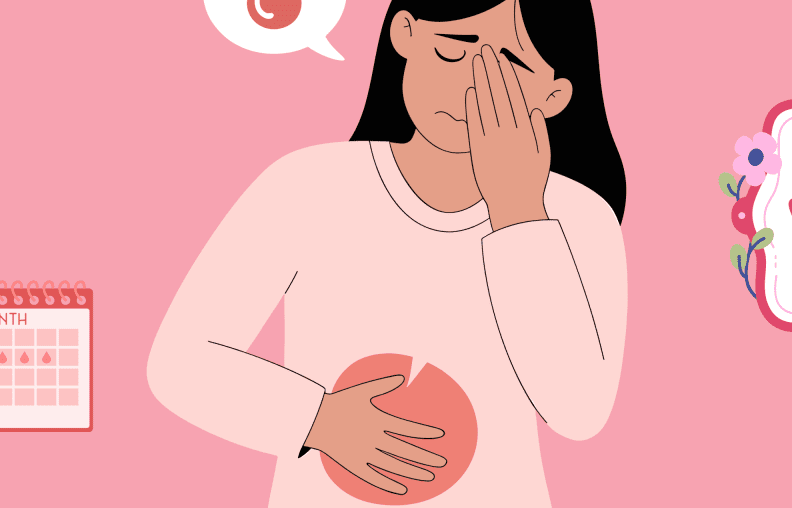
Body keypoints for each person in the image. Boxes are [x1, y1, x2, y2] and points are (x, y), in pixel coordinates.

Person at [147, 1, 628, 506]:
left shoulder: (578, 219)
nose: (470, 87)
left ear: (553, 96)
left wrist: (518, 211)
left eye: (506, 71)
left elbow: (578, 413)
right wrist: (318, 419)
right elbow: (180, 360)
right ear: (405, 34)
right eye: (452, 51)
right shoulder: (308, 187)